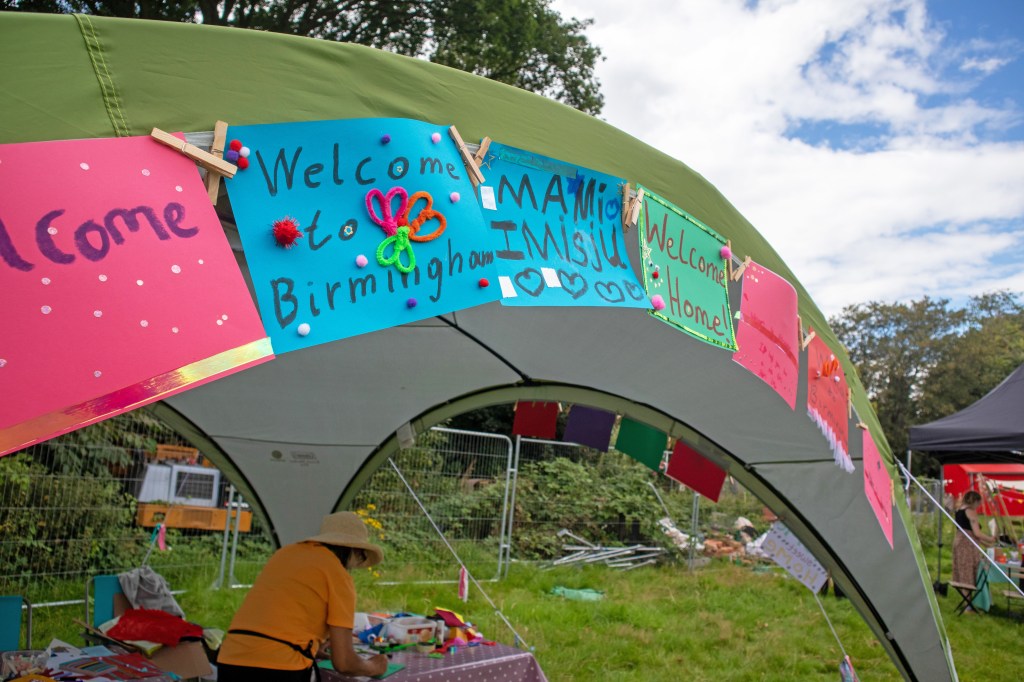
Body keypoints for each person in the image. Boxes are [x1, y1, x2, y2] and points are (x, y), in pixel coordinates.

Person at [217, 512, 389, 680]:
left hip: (231, 658)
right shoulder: (337, 573)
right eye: (361, 557)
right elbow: (345, 663)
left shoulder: (284, 554)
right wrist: (374, 666)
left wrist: (312, 645)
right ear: (355, 551)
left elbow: (280, 613)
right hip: (279, 667)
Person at [951, 490, 998, 612]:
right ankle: (968, 605)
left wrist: (987, 544)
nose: (979, 506)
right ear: (975, 501)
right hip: (967, 546)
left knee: (963, 571)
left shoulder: (959, 510)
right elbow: (976, 533)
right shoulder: (971, 512)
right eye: (979, 503)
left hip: (959, 542)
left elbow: (970, 533)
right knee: (969, 572)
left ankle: (968, 601)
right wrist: (991, 538)